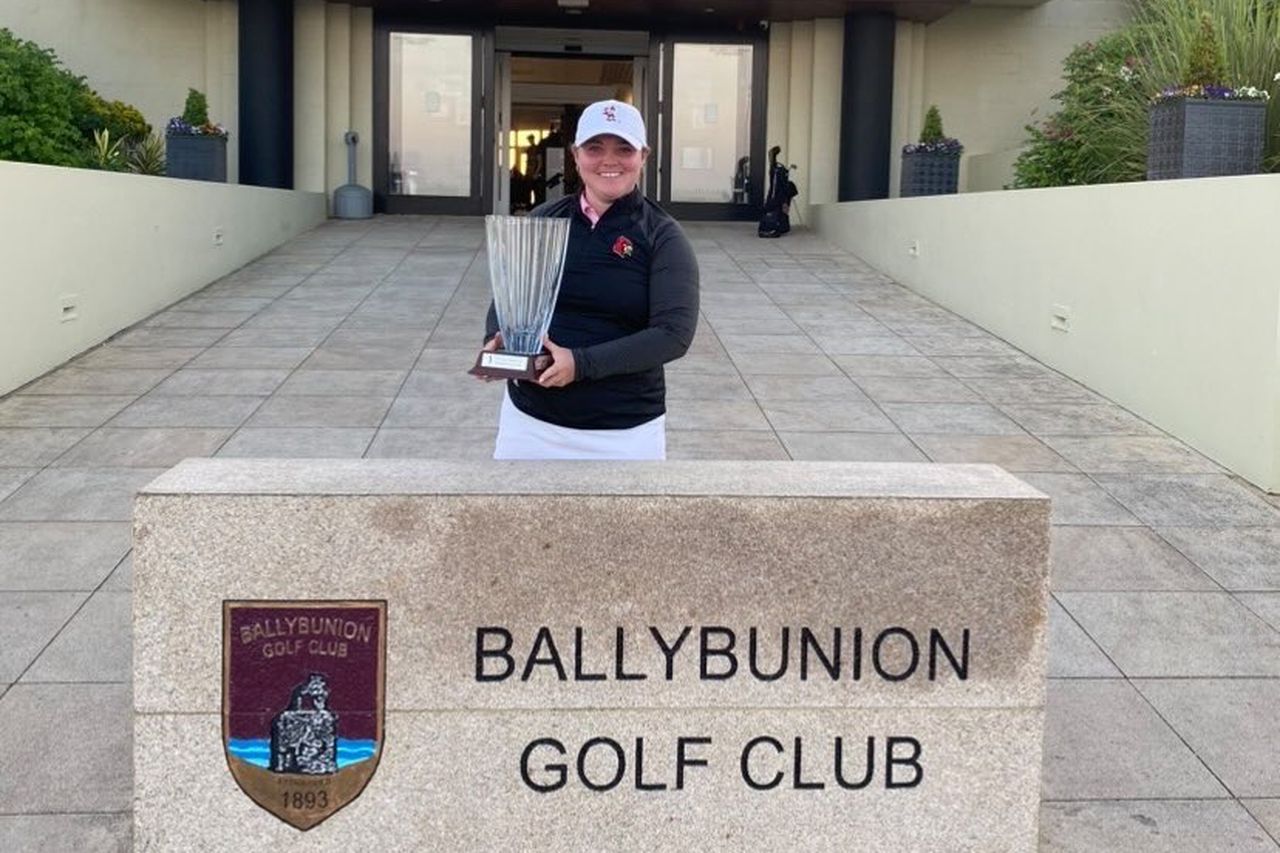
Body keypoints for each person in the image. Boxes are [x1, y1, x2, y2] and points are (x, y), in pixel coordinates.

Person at [480, 99, 700, 460]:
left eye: (624, 149)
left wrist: (580, 364)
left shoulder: (663, 236)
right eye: (595, 148)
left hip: (625, 432)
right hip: (531, 425)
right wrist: (498, 339)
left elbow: (673, 335)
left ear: (643, 156)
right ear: (575, 155)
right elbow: (508, 298)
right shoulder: (543, 220)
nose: (609, 161)